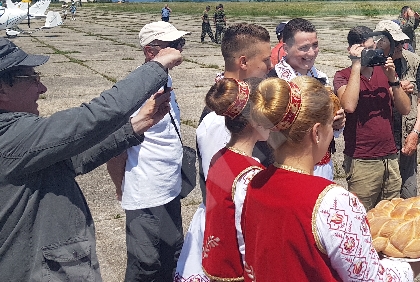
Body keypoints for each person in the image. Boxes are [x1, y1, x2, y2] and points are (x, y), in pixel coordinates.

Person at [0, 37, 181, 281]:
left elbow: (73, 160)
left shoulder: (20, 144)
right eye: (32, 78)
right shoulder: (10, 138)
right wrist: (156, 67)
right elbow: (94, 115)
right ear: (2, 89)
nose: (42, 88)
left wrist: (137, 125)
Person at [242, 76, 420, 281]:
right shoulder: (334, 202)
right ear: (317, 132)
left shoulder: (254, 182)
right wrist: (413, 264)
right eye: (330, 125)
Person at [174, 23, 273, 282]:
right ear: (243, 62)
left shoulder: (240, 104)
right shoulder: (221, 119)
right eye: (265, 60)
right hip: (230, 236)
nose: (270, 66)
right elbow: (223, 193)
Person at [106, 22, 189, 282]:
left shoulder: (165, 79)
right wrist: (120, 186)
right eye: (172, 45)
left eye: (180, 43)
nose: (179, 50)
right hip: (145, 194)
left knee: (172, 255)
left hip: (170, 188)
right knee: (145, 265)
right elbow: (115, 149)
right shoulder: (135, 91)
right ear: (150, 51)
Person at [333, 26, 411, 210]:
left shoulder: (383, 71)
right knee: (363, 214)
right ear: (351, 50)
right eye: (364, 50)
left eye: (371, 48)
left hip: (390, 156)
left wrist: (394, 80)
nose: (369, 54)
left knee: (390, 213)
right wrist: (356, 65)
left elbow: (405, 108)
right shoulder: (342, 76)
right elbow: (349, 106)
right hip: (362, 159)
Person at [200, 77, 268, 282]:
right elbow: (249, 236)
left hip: (216, 264)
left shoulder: (220, 157)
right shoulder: (250, 175)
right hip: (236, 271)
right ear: (254, 120)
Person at [267, 17, 345, 180]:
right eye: (303, 48)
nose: (311, 53)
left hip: (323, 164)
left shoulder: (321, 79)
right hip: (288, 166)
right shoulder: (274, 82)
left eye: (315, 45)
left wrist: (336, 122)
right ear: (286, 48)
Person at [375, 19, 420, 198]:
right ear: (380, 43)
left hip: (406, 138)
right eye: (396, 42)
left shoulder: (412, 61)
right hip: (379, 145)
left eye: (402, 42)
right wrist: (393, 88)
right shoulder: (369, 63)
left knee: (409, 194)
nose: (401, 46)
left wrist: (415, 133)